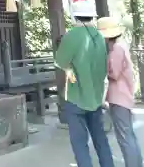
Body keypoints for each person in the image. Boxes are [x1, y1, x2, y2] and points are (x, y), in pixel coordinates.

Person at [56, 15, 115, 167]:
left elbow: (60, 60)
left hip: (76, 97)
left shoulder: (72, 35)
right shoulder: (100, 37)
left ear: (76, 18)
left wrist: (68, 68)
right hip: (95, 96)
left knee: (79, 142)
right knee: (100, 138)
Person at [97, 17, 143, 167]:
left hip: (119, 97)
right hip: (123, 96)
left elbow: (114, 73)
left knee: (124, 136)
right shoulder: (120, 46)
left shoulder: (116, 49)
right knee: (128, 135)